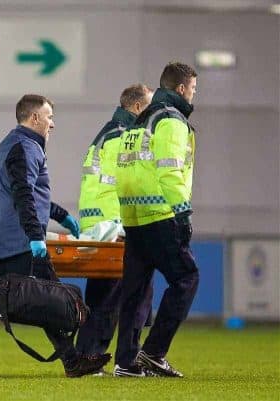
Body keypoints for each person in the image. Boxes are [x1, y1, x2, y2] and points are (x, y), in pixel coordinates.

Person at [0, 94, 111, 378]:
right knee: (50, 298)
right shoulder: (26, 147)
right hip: (20, 240)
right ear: (34, 118)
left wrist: (60, 216)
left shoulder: (10, 145)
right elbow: (24, 195)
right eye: (49, 117)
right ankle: (72, 361)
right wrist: (36, 236)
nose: (53, 124)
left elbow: (27, 192)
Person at [113, 62, 199, 377]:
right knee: (186, 279)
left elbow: (124, 171)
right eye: (192, 89)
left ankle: (125, 362)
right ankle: (153, 352)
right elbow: (169, 169)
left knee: (135, 292)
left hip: (134, 218)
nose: (193, 95)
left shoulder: (139, 122)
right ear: (180, 89)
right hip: (162, 215)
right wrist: (182, 212)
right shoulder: (172, 121)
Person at [75, 85, 155, 369]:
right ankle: (111, 357)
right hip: (114, 223)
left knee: (102, 294)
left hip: (97, 221)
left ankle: (87, 356)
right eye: (149, 107)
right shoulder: (124, 137)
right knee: (118, 293)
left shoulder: (106, 134)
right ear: (136, 108)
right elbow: (130, 182)